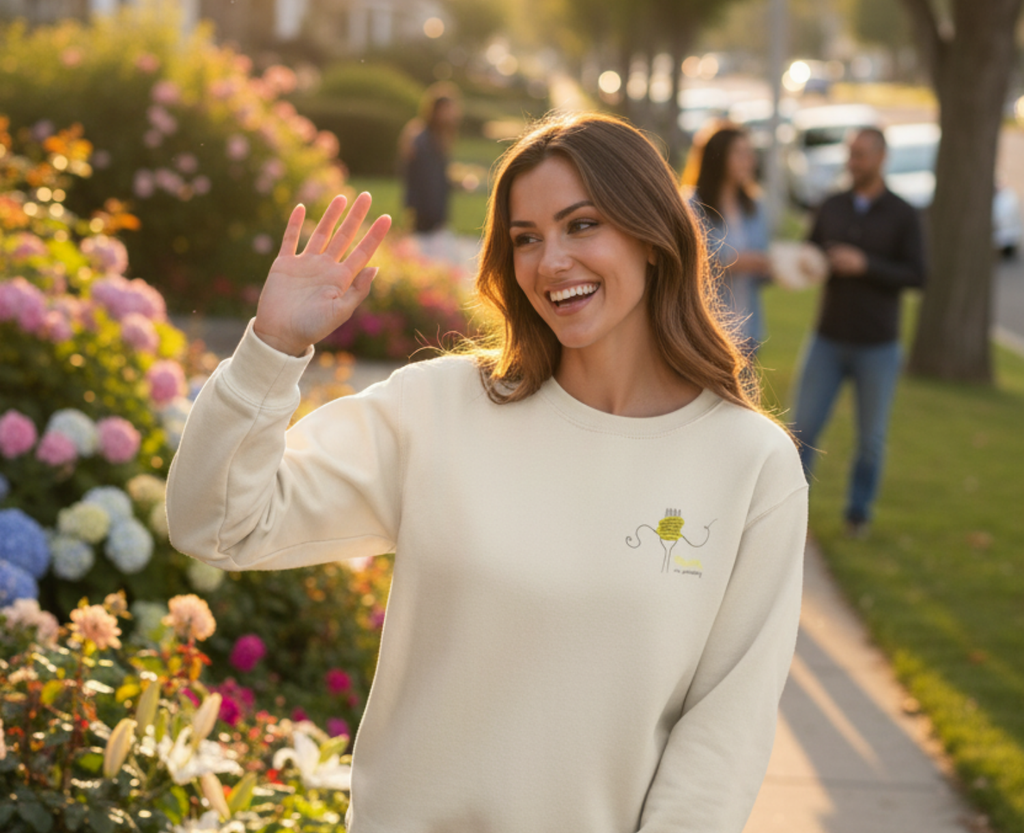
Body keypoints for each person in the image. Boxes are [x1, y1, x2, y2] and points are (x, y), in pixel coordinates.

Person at [166, 113, 808, 833]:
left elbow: (724, 730)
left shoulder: (750, 464)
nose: (550, 261)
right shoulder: (436, 409)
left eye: (582, 225)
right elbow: (217, 523)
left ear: (654, 238)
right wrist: (273, 346)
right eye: (525, 238)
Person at [789, 126, 926, 537]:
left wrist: (865, 264)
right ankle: (791, 512)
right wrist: (809, 264)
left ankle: (858, 514)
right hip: (827, 337)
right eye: (850, 154)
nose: (853, 162)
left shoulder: (904, 213)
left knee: (871, 440)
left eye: (861, 154)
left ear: (882, 158)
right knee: (802, 431)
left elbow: (918, 275)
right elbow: (808, 252)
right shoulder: (830, 205)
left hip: (878, 346)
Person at [686, 125, 772, 355]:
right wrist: (732, 262)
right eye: (740, 153)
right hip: (705, 333)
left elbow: (762, 270)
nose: (749, 160)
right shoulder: (691, 207)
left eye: (750, 153)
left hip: (747, 334)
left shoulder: (755, 206)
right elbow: (685, 265)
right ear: (718, 157)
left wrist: (776, 265)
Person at [399, 82, 461, 250]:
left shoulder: (435, 137)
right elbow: (426, 181)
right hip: (425, 214)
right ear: (437, 110)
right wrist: (435, 217)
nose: (453, 114)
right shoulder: (423, 140)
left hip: (430, 213)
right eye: (448, 109)